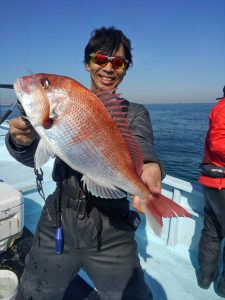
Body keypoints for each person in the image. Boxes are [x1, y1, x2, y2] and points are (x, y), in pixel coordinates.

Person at [6, 26, 165, 300]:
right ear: (88, 63)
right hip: (58, 216)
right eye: (100, 60)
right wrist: (20, 141)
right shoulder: (67, 104)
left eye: (118, 62)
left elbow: (143, 145)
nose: (109, 68)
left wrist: (151, 166)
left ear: (126, 68)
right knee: (33, 293)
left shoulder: (135, 112)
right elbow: (33, 155)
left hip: (112, 223)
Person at [197, 85, 225, 297]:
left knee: (212, 231)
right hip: (221, 183)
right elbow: (218, 145)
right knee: (212, 231)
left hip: (212, 181)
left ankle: (205, 278)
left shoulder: (219, 108)